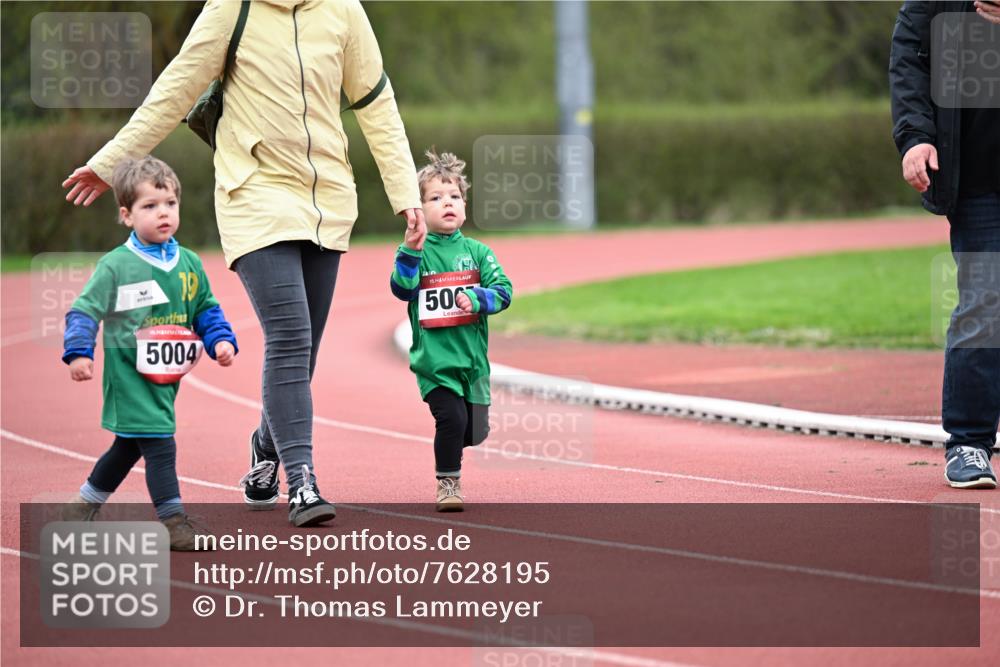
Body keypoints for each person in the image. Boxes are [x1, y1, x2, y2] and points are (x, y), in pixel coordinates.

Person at [61, 0, 425, 526]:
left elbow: (376, 104)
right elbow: (175, 90)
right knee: (291, 336)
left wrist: (404, 191)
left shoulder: (344, 10)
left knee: (304, 352)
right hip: (253, 194)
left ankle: (265, 446)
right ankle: (302, 481)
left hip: (327, 202)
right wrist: (108, 163)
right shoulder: (233, 7)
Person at [61, 156, 238, 550]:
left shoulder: (189, 262)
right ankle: (173, 523)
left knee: (127, 446)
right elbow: (84, 310)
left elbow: (206, 307)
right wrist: (79, 352)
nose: (163, 213)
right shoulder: (117, 265)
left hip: (165, 377)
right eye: (150, 206)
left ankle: (81, 506)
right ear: (126, 215)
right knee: (161, 444)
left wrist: (220, 340)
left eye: (170, 204)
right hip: (128, 376)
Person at [890, 0, 1000, 489]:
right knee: (985, 302)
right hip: (979, 180)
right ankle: (970, 443)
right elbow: (909, 58)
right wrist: (915, 137)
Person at [390, 151, 513, 511]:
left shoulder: (478, 252)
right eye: (435, 197)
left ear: (464, 205)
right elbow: (401, 289)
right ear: (419, 208)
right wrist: (410, 253)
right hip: (435, 362)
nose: (447, 203)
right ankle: (448, 484)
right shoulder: (415, 250)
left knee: (475, 432)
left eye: (454, 197)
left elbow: (504, 290)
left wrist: (477, 299)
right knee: (452, 419)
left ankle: (449, 445)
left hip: (473, 362)